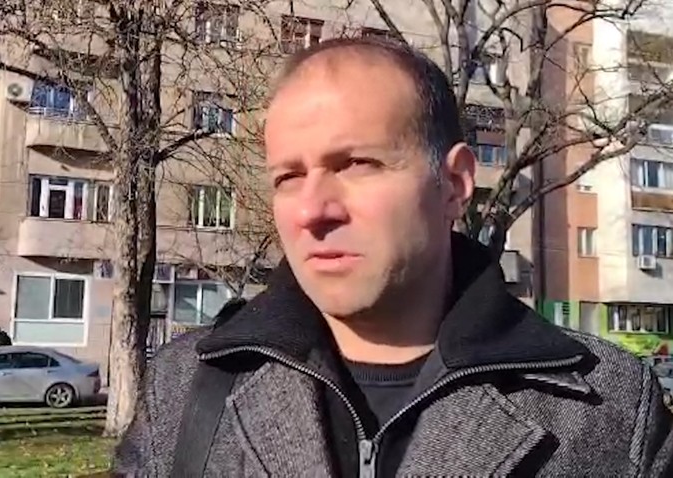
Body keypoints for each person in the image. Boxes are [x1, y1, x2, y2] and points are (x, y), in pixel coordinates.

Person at [115, 37, 673, 476]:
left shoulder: (608, 409)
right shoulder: (186, 388)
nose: (312, 211)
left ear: (455, 183)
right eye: (288, 177)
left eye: (356, 164)